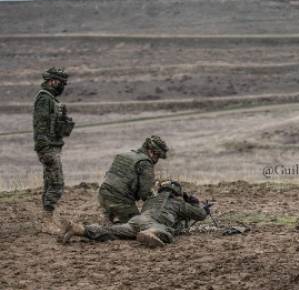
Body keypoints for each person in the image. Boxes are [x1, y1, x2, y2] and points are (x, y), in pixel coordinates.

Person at [61, 180, 210, 247]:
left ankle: (79, 229)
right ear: (177, 193)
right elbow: (201, 215)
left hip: (136, 221)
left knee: (109, 232)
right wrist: (198, 203)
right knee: (166, 232)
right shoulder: (178, 203)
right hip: (153, 224)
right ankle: (151, 233)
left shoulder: (151, 200)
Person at [33, 67, 75, 233]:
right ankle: (47, 221)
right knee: (56, 183)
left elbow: (56, 126)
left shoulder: (52, 100)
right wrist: (44, 148)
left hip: (53, 146)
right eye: (60, 82)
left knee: (50, 183)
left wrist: (64, 122)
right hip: (48, 148)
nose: (62, 86)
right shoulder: (44, 99)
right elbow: (41, 125)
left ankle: (47, 219)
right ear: (52, 81)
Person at [97, 136, 169, 223]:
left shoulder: (125, 155)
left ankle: (108, 216)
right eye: (157, 156)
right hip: (120, 200)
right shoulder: (145, 163)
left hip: (102, 195)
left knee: (114, 210)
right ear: (152, 152)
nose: (157, 160)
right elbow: (145, 194)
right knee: (138, 225)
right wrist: (157, 199)